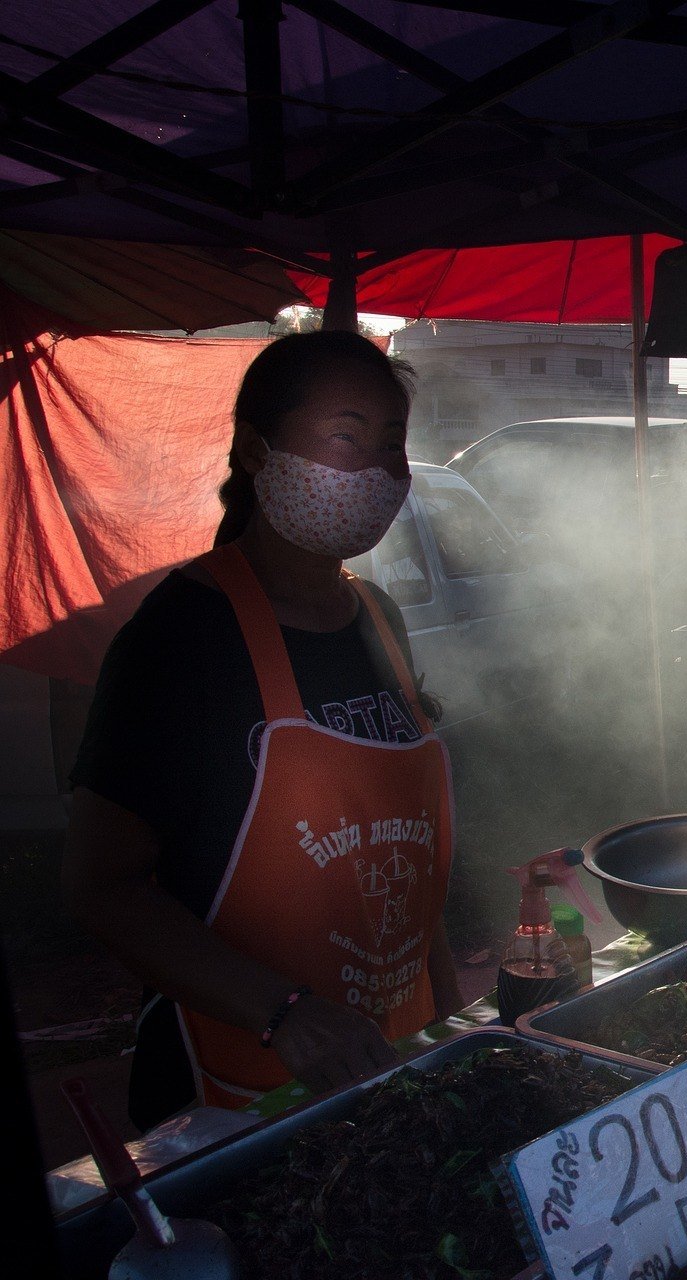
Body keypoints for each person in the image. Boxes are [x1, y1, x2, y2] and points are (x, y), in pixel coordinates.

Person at [63, 331, 460, 1128]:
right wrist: (284, 1014)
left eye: (393, 446)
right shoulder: (181, 637)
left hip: (390, 1069)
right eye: (347, 436)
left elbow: (410, 873)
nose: (381, 473)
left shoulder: (379, 620)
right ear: (255, 450)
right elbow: (101, 888)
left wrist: (451, 1027)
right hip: (236, 1091)